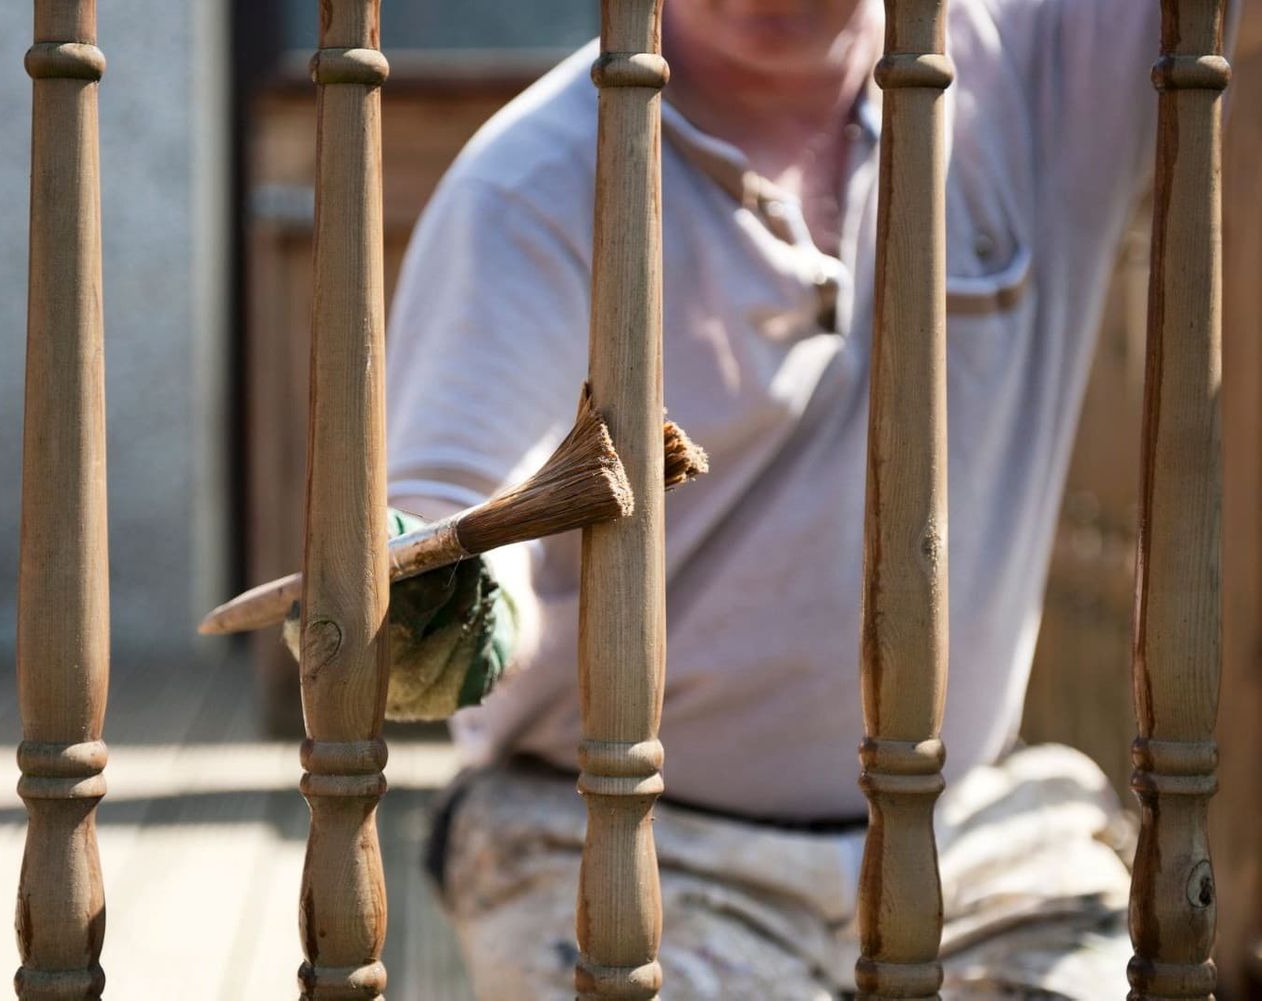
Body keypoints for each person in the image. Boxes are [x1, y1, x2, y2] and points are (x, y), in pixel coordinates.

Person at [294, 0, 1217, 996]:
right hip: (614, 834)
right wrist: (448, 598)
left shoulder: (1043, 62)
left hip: (970, 835)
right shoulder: (532, 181)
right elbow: (459, 500)